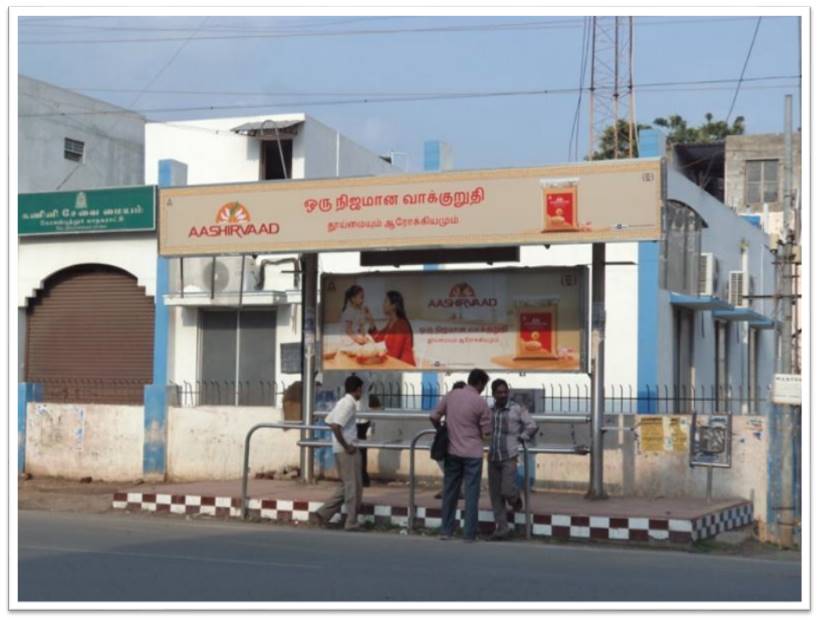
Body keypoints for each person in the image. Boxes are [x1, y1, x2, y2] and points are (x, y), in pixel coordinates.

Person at [430, 369, 492, 542]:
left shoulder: (451, 396)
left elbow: (433, 416)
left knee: (450, 492)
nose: (482, 389)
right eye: (483, 385)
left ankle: (446, 531)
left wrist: (443, 430)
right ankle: (469, 534)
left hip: (452, 451)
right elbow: (487, 433)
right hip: (473, 453)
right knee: (472, 494)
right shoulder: (481, 402)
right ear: (479, 383)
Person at [487, 379, 539, 540]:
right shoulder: (490, 410)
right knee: (495, 496)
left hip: (509, 455)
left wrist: (521, 438)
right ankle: (502, 528)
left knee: (507, 489)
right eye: (499, 392)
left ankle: (516, 499)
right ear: (493, 394)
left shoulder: (517, 409)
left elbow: (532, 425)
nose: (502, 395)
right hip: (493, 455)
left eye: (505, 392)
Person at [312, 375, 365, 531]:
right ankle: (351, 522)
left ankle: (323, 513)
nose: (361, 392)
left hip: (339, 449)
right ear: (357, 389)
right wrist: (347, 445)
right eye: (361, 389)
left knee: (346, 485)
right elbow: (335, 425)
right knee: (354, 486)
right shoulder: (349, 404)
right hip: (347, 450)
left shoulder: (342, 402)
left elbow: (329, 420)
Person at [434, 381, 466, 500]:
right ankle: (453, 489)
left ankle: (453, 490)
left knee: (452, 465)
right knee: (453, 465)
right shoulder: (459, 401)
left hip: (451, 437)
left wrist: (440, 429)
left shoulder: (449, 400)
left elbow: (434, 417)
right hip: (458, 438)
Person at [367, 290, 416, 366]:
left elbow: (394, 355)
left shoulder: (401, 325)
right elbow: (378, 339)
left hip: (404, 367)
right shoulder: (391, 322)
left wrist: (373, 358)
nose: (383, 305)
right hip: (393, 365)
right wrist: (370, 320)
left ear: (393, 306)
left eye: (386, 302)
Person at [357, 394, 382, 487]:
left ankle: (363, 478)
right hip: (361, 426)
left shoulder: (363, 403)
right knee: (361, 454)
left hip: (362, 426)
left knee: (361, 454)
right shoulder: (364, 405)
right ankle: (363, 478)